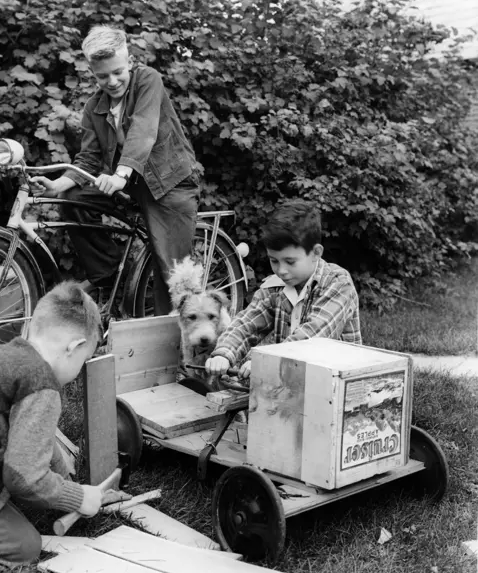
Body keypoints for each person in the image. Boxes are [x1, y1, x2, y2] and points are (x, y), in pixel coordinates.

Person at [0, 282, 118, 570]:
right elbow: (22, 476)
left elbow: (28, 436)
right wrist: (78, 498)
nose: (80, 371)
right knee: (23, 547)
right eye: (84, 360)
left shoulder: (15, 357)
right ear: (74, 347)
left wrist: (59, 473)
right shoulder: (41, 384)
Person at [31, 26, 200, 315]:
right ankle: (110, 277)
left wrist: (120, 175)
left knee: (172, 272)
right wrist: (57, 185)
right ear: (92, 73)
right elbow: (88, 158)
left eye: (117, 72)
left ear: (130, 62)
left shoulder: (148, 80)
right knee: (74, 201)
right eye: (102, 76)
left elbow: (143, 131)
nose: (111, 81)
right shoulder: (94, 106)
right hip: (128, 183)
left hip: (169, 183)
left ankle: (168, 336)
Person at [206, 199, 362, 379]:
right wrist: (223, 353)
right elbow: (246, 324)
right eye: (274, 261)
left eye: (290, 262)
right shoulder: (275, 287)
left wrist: (266, 361)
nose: (281, 270)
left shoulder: (338, 283)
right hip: (293, 380)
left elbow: (313, 337)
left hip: (337, 384)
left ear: (316, 253)